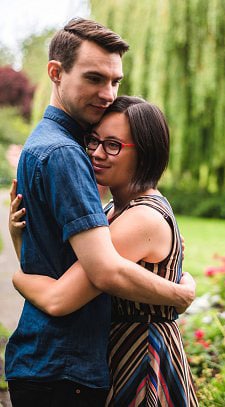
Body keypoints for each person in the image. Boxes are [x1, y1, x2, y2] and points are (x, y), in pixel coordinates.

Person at [4, 18, 195, 406]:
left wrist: (22, 258)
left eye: (115, 81)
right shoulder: (64, 154)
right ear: (56, 73)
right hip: (63, 366)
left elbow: (73, 278)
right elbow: (97, 273)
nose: (107, 93)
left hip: (110, 359)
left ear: (146, 151)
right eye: (94, 78)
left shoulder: (49, 146)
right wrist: (179, 294)